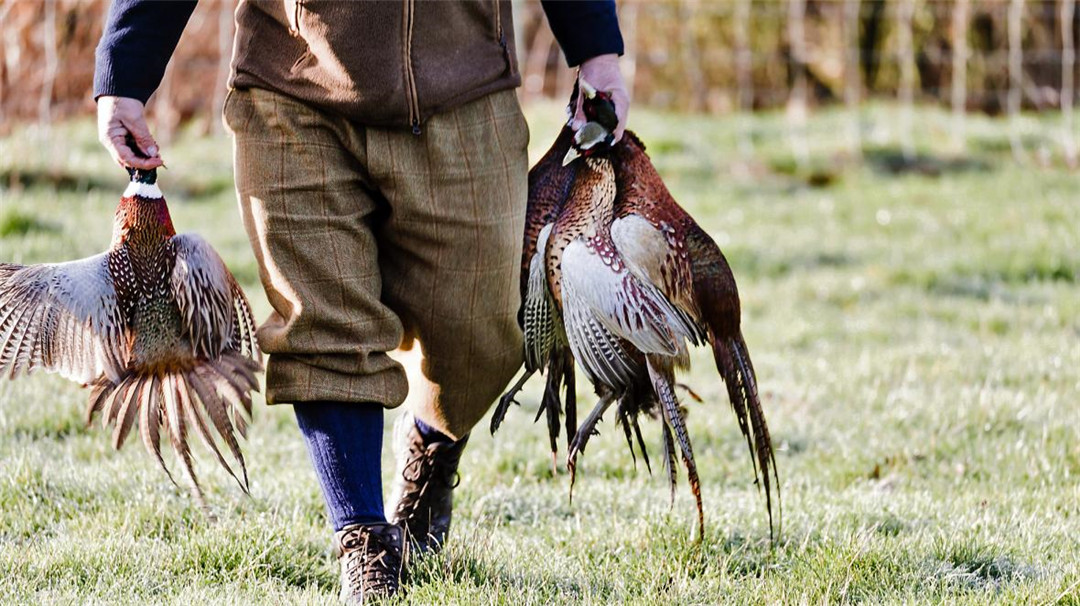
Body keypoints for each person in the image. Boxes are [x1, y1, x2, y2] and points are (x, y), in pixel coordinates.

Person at [94, 0, 629, 601]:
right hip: (290, 88)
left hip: (464, 87)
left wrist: (597, 52)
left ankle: (430, 448)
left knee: (480, 333)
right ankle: (364, 543)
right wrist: (124, 74)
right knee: (321, 323)